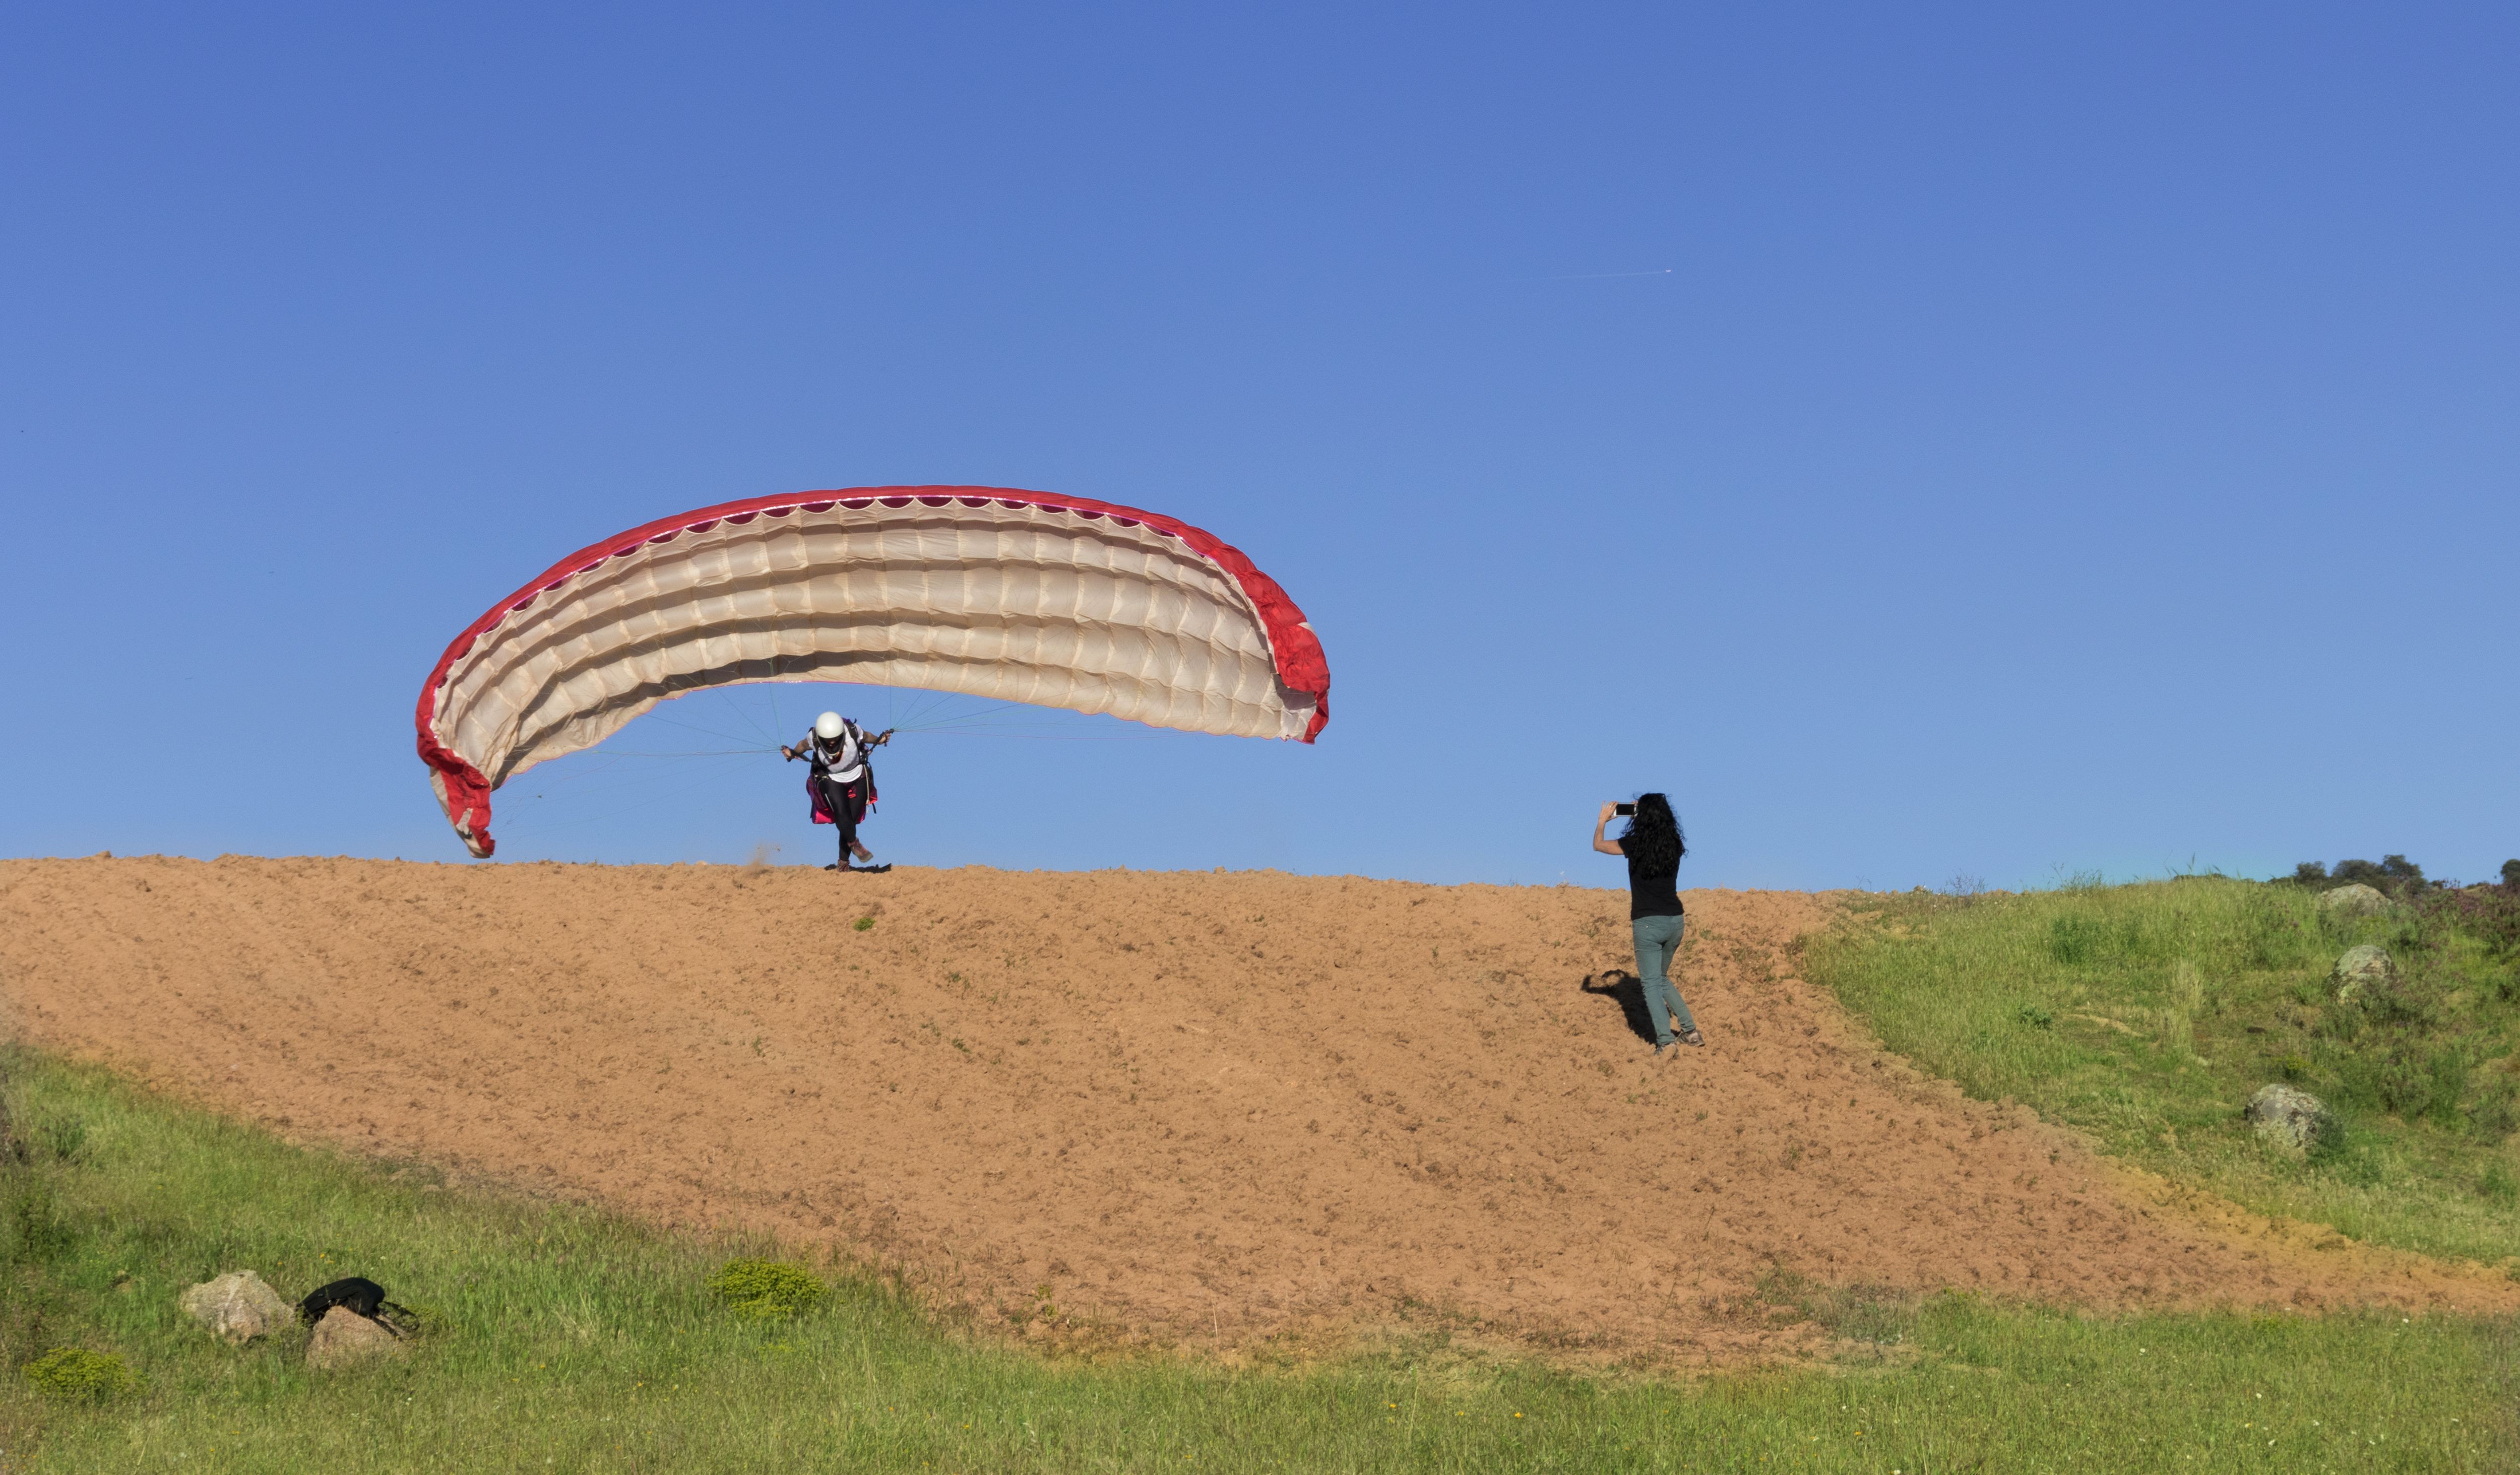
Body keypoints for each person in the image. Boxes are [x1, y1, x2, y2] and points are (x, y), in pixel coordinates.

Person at [1593, 794, 1701, 1056]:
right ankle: (1691, 1032)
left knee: (1651, 984)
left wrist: (1603, 821)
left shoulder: (1634, 844)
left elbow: (1598, 845)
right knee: (1661, 979)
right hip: (1676, 921)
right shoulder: (1674, 844)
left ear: (1641, 817)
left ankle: (1665, 1042)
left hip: (1648, 924)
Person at [782, 711, 894, 871]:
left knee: (852, 819)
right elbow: (802, 746)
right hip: (830, 779)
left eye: (835, 739)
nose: (832, 743)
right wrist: (792, 753)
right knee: (843, 815)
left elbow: (867, 736)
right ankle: (855, 844)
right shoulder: (814, 738)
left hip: (857, 777)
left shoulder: (853, 732)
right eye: (828, 741)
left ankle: (843, 863)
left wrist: (880, 739)